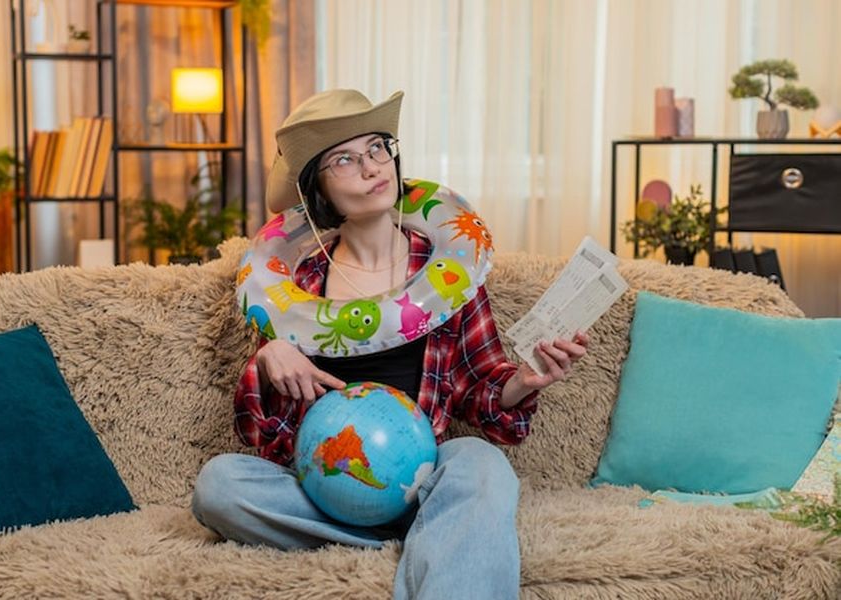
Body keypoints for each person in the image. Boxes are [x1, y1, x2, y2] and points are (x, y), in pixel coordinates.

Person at [192, 89, 590, 600]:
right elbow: (262, 433)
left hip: (422, 477)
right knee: (219, 485)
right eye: (344, 159)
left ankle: (433, 534)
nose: (371, 167)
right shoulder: (295, 285)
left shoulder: (446, 271)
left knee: (481, 465)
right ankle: (436, 538)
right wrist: (267, 360)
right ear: (318, 189)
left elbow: (481, 392)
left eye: (378, 147)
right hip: (330, 484)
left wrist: (523, 381)